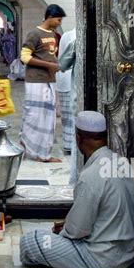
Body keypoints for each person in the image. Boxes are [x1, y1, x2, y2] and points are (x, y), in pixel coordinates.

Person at [20, 111, 134, 268]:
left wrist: (64, 231)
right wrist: (67, 224)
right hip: (127, 253)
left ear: (79, 138)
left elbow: (77, 231)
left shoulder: (90, 175)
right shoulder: (121, 163)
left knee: (31, 241)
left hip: (101, 258)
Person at [19, 4, 66, 162]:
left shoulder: (53, 35)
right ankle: (28, 148)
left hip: (49, 80)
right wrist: (49, 65)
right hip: (36, 81)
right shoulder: (34, 33)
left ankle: (43, 152)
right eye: (58, 19)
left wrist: (56, 65)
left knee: (48, 118)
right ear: (50, 17)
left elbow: (51, 56)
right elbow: (24, 57)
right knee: (33, 116)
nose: (60, 23)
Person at [58, 33, 78, 184]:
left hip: (79, 95)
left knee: (79, 136)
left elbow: (63, 64)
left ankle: (76, 179)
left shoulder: (74, 38)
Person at [56, 28, 76, 155]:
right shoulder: (69, 36)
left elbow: (62, 62)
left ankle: (69, 144)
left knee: (69, 115)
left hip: (66, 77)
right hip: (68, 78)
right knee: (70, 114)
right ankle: (70, 144)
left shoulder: (68, 36)